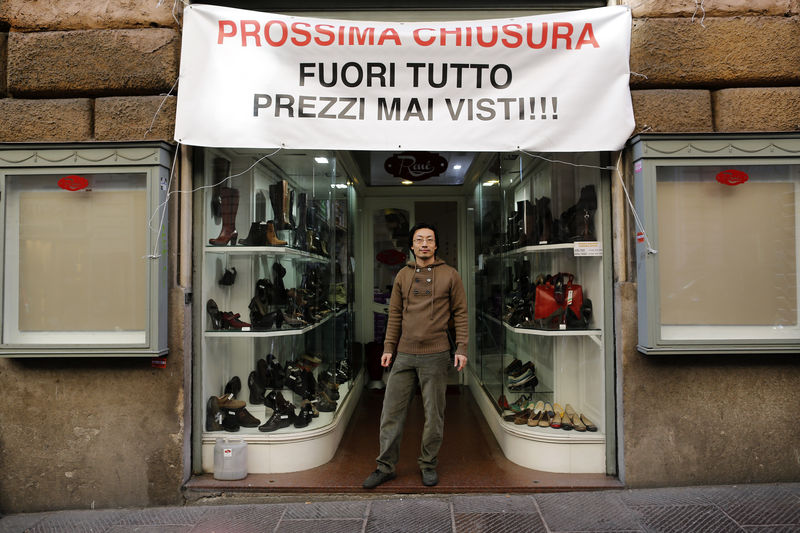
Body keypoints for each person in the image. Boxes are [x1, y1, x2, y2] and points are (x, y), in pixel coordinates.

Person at [363, 222, 468, 489]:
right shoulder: (402, 276)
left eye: (429, 240)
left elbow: (461, 314)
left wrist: (462, 348)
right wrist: (388, 348)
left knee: (434, 415)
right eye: (419, 239)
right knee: (391, 414)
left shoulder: (450, 275)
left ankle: (428, 464)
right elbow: (394, 315)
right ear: (411, 245)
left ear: (435, 245)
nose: (424, 244)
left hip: (436, 355)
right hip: (405, 355)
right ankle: (385, 467)